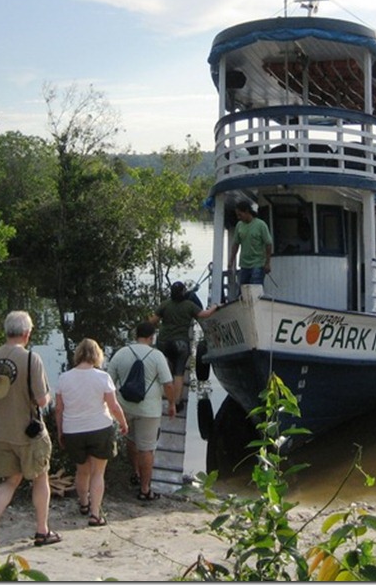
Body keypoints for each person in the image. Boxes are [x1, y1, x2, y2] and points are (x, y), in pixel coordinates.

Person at [0, 311, 61, 549]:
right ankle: (42, 530)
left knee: (9, 480)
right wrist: (49, 393)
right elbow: (42, 400)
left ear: (6, 331)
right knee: (40, 477)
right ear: (27, 333)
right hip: (28, 433)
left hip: (0, 432)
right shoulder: (31, 359)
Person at [54, 338, 128, 528]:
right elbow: (113, 406)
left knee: (82, 470)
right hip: (99, 428)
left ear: (78, 354)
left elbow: (59, 410)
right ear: (97, 355)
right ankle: (95, 514)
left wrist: (60, 431)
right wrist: (123, 423)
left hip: (73, 430)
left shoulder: (64, 378)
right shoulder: (102, 377)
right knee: (98, 472)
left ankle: (84, 504)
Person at [106, 323, 173, 502]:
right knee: (147, 448)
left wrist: (110, 404)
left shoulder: (121, 353)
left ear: (136, 335)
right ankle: (145, 489)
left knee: (131, 439)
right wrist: (172, 404)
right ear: (152, 336)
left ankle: (135, 472)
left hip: (125, 407)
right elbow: (168, 383)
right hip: (149, 410)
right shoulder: (157, 356)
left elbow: (108, 381)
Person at [151, 282, 218, 413]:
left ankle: (164, 397)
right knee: (179, 373)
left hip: (164, 342)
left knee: (167, 367)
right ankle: (177, 402)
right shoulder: (189, 306)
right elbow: (204, 314)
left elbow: (152, 321)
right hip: (181, 344)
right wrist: (215, 307)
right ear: (183, 292)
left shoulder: (165, 304)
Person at [228, 200, 273, 286]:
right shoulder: (239, 225)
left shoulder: (261, 225)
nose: (238, 217)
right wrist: (231, 261)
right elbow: (235, 244)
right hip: (244, 265)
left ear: (247, 212)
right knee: (243, 291)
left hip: (258, 264)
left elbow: (268, 244)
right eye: (237, 215)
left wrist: (267, 263)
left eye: (240, 214)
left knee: (255, 290)